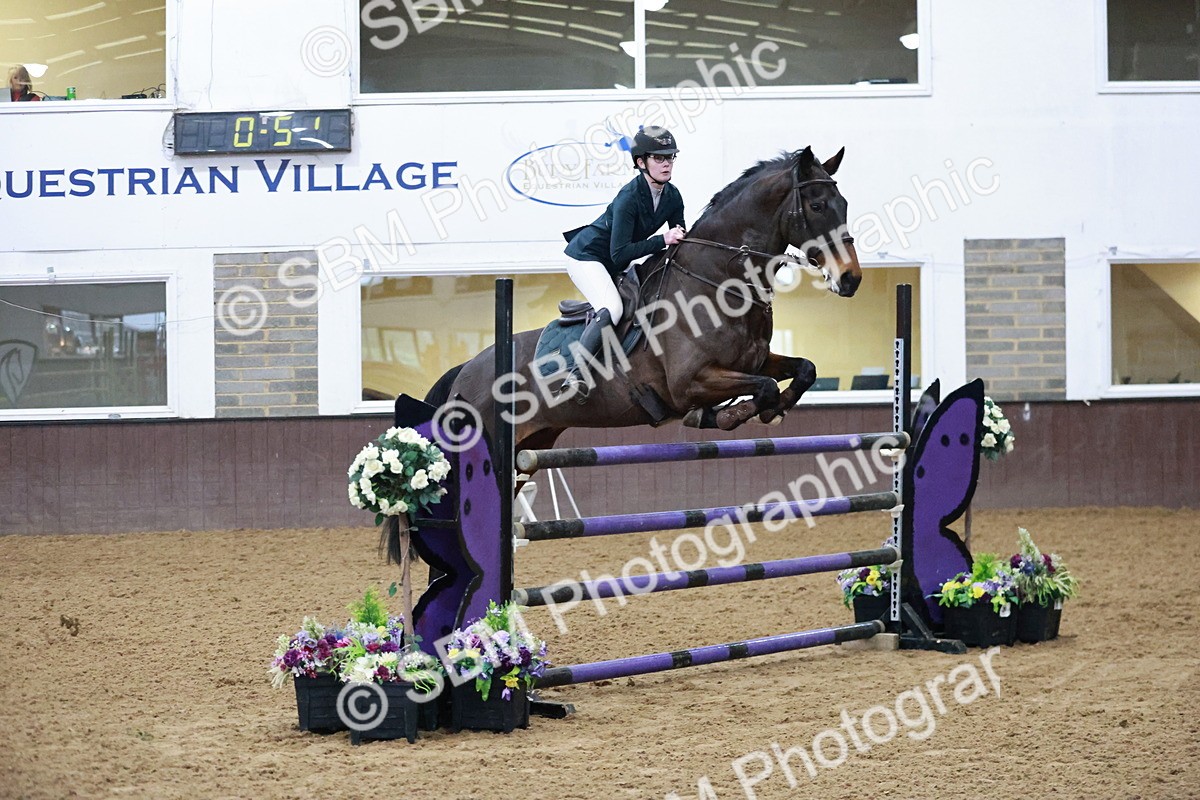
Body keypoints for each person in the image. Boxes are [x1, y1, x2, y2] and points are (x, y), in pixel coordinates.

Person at [559, 125, 686, 401]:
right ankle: (575, 375)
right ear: (641, 162)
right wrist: (663, 238)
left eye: (670, 157)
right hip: (587, 257)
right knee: (613, 308)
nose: (667, 164)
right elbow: (620, 254)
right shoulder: (629, 197)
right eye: (659, 158)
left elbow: (680, 240)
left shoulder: (672, 196)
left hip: (614, 261)